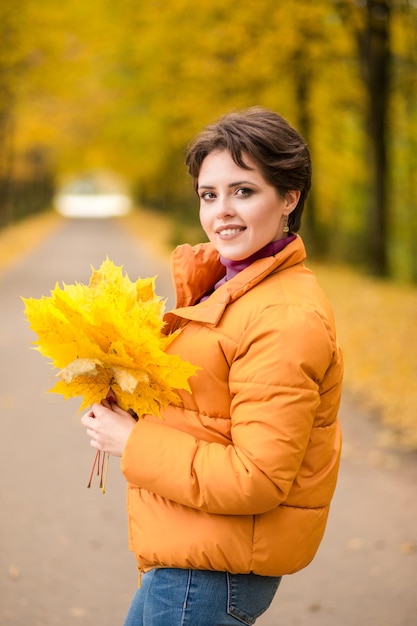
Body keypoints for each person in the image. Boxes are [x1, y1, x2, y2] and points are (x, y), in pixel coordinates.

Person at [81, 106, 343, 626]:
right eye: (209, 194)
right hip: (193, 559)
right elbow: (210, 406)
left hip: (206, 575)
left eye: (243, 191)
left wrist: (131, 442)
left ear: (289, 197)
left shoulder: (283, 315)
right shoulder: (231, 288)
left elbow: (256, 477)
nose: (222, 210)